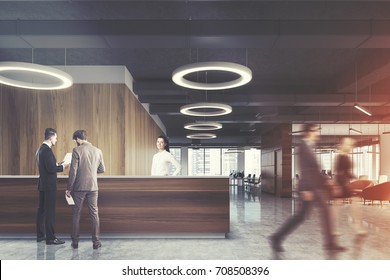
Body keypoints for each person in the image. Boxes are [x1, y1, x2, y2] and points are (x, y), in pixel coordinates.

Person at [269, 124, 345, 256]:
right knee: (301, 216)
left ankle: (330, 243)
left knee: (321, 212)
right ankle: (276, 237)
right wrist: (305, 189)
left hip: (315, 187)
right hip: (309, 188)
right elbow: (305, 170)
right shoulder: (303, 147)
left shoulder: (309, 146)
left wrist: (327, 181)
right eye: (316, 131)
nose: (317, 134)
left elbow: (314, 170)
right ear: (309, 132)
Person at [65, 130, 105, 249]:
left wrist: (69, 188)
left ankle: (75, 242)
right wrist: (92, 171)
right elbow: (102, 169)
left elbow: (73, 172)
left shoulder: (76, 150)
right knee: (94, 214)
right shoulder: (98, 151)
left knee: (76, 214)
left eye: (75, 140)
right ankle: (96, 242)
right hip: (93, 187)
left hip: (79, 188)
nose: (75, 142)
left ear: (78, 139)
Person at [36, 128, 68, 245]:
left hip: (43, 184)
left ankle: (40, 235)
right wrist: (63, 167)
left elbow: (48, 166)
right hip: (49, 186)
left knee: (42, 210)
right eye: (56, 137)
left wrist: (58, 164)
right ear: (50, 137)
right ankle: (50, 238)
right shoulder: (47, 150)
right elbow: (51, 169)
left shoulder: (40, 149)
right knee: (50, 212)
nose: (56, 139)